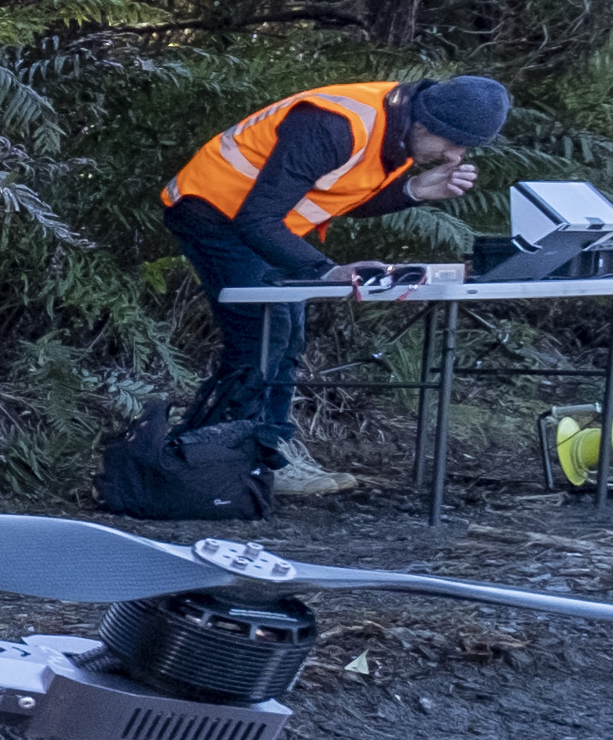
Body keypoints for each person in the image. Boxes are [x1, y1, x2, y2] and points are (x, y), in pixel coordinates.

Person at [165, 74, 510, 498]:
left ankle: (269, 447)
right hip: (214, 214)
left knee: (287, 337)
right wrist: (327, 270)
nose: (456, 156)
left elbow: (341, 196)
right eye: (454, 143)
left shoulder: (398, 129)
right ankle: (230, 458)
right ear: (425, 123)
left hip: (263, 228)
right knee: (263, 336)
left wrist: (413, 190)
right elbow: (256, 219)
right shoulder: (334, 124)